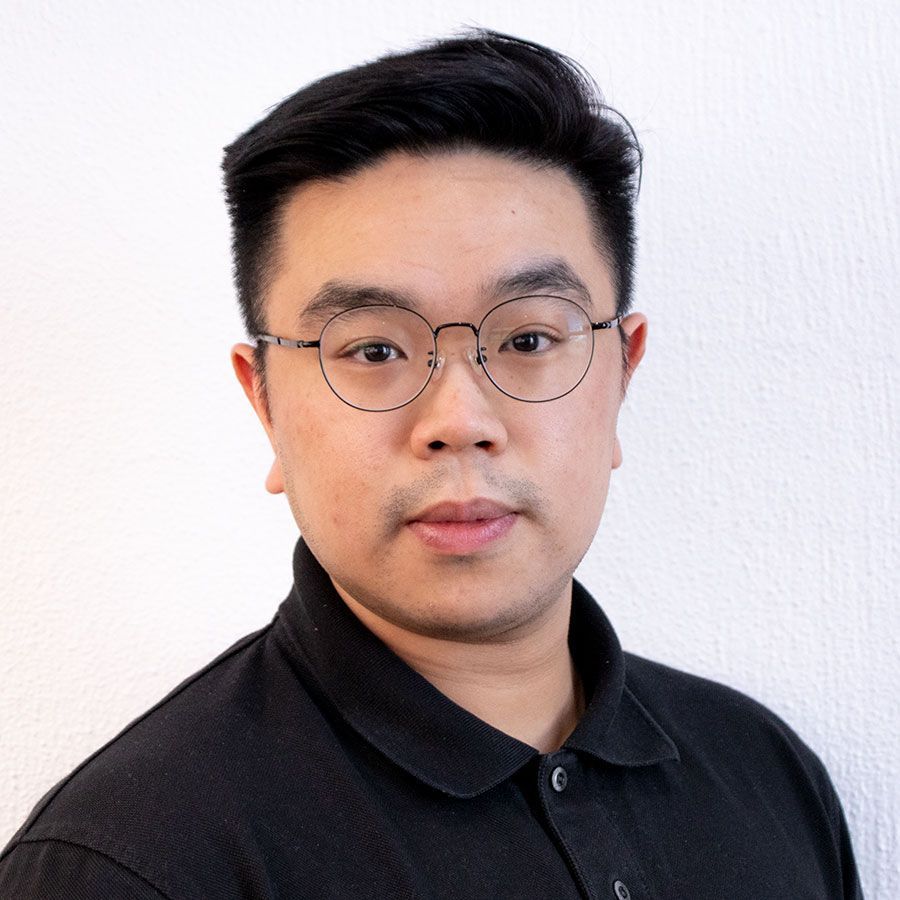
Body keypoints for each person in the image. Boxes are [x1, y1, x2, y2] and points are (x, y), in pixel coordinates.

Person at [0, 29, 863, 899]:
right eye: (373, 349)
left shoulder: (768, 777)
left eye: (528, 337)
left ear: (620, 374)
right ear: (264, 403)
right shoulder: (129, 865)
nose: (458, 422)